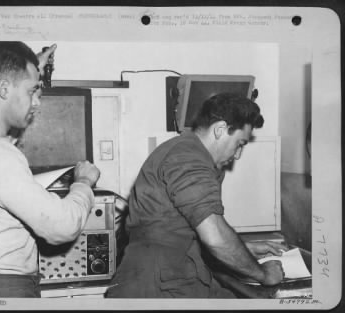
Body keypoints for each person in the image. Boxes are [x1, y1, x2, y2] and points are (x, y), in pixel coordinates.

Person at [106, 93, 287, 298]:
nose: (237, 155)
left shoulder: (184, 150)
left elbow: (182, 231)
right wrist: (263, 274)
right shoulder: (188, 159)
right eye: (239, 144)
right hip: (159, 286)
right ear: (220, 129)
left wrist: (244, 250)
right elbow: (215, 237)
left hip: (167, 274)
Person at [0, 41, 100, 298]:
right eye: (32, 91)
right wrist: (83, 183)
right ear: (3, 88)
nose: (38, 103)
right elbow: (62, 226)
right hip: (4, 286)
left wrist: (30, 69)